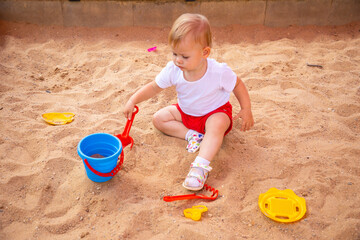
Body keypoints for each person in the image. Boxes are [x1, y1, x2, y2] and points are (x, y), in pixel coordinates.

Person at [123, 13, 254, 191]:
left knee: (217, 124)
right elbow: (154, 87)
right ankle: (192, 135)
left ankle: (200, 166)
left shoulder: (218, 71)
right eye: (174, 53)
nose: (178, 60)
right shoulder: (173, 70)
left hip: (214, 112)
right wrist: (133, 99)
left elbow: (237, 84)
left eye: (184, 56)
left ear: (204, 52)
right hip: (186, 113)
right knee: (159, 119)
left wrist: (246, 108)